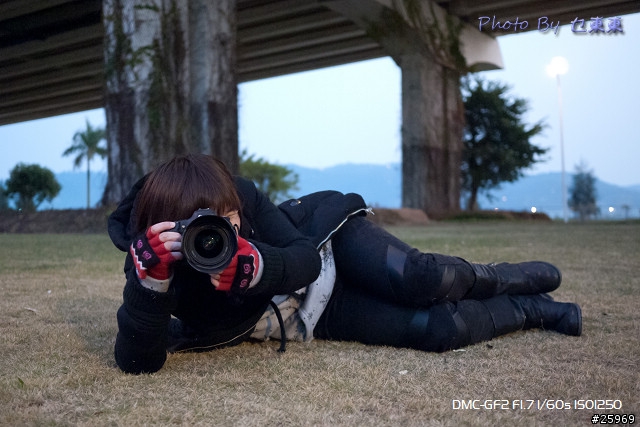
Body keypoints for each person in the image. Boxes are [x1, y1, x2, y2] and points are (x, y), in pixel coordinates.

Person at [108, 153, 581, 374]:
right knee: (438, 330)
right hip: (311, 314)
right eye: (193, 227)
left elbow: (302, 258)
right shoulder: (151, 262)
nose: (217, 233)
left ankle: (509, 278)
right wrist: (151, 282)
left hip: (327, 246)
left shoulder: (245, 195)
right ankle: (531, 309)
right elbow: (137, 361)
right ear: (161, 227)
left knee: (423, 278)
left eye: (225, 218)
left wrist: (255, 266)